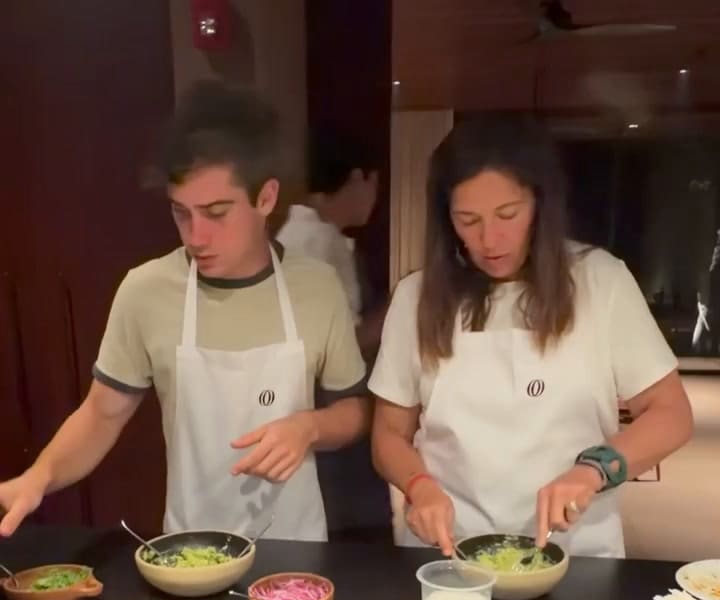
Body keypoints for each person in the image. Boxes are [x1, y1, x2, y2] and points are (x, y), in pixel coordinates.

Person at [0, 83, 369, 541]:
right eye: (182, 213)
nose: (196, 236)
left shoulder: (315, 286)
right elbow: (102, 413)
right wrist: (40, 476)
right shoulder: (147, 291)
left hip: (295, 552)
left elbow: (353, 410)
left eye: (217, 212)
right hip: (191, 553)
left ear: (266, 197)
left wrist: (309, 427)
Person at [369, 114, 693, 558]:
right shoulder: (416, 297)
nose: (489, 238)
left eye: (508, 214)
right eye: (468, 220)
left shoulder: (601, 281)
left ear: (541, 203)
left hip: (576, 550)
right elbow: (389, 432)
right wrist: (419, 485)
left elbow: (671, 414)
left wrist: (593, 471)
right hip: (447, 550)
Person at [277, 128, 384, 357]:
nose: (375, 197)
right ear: (357, 179)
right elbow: (339, 348)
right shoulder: (319, 241)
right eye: (375, 183)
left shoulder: (301, 234)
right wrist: (399, 306)